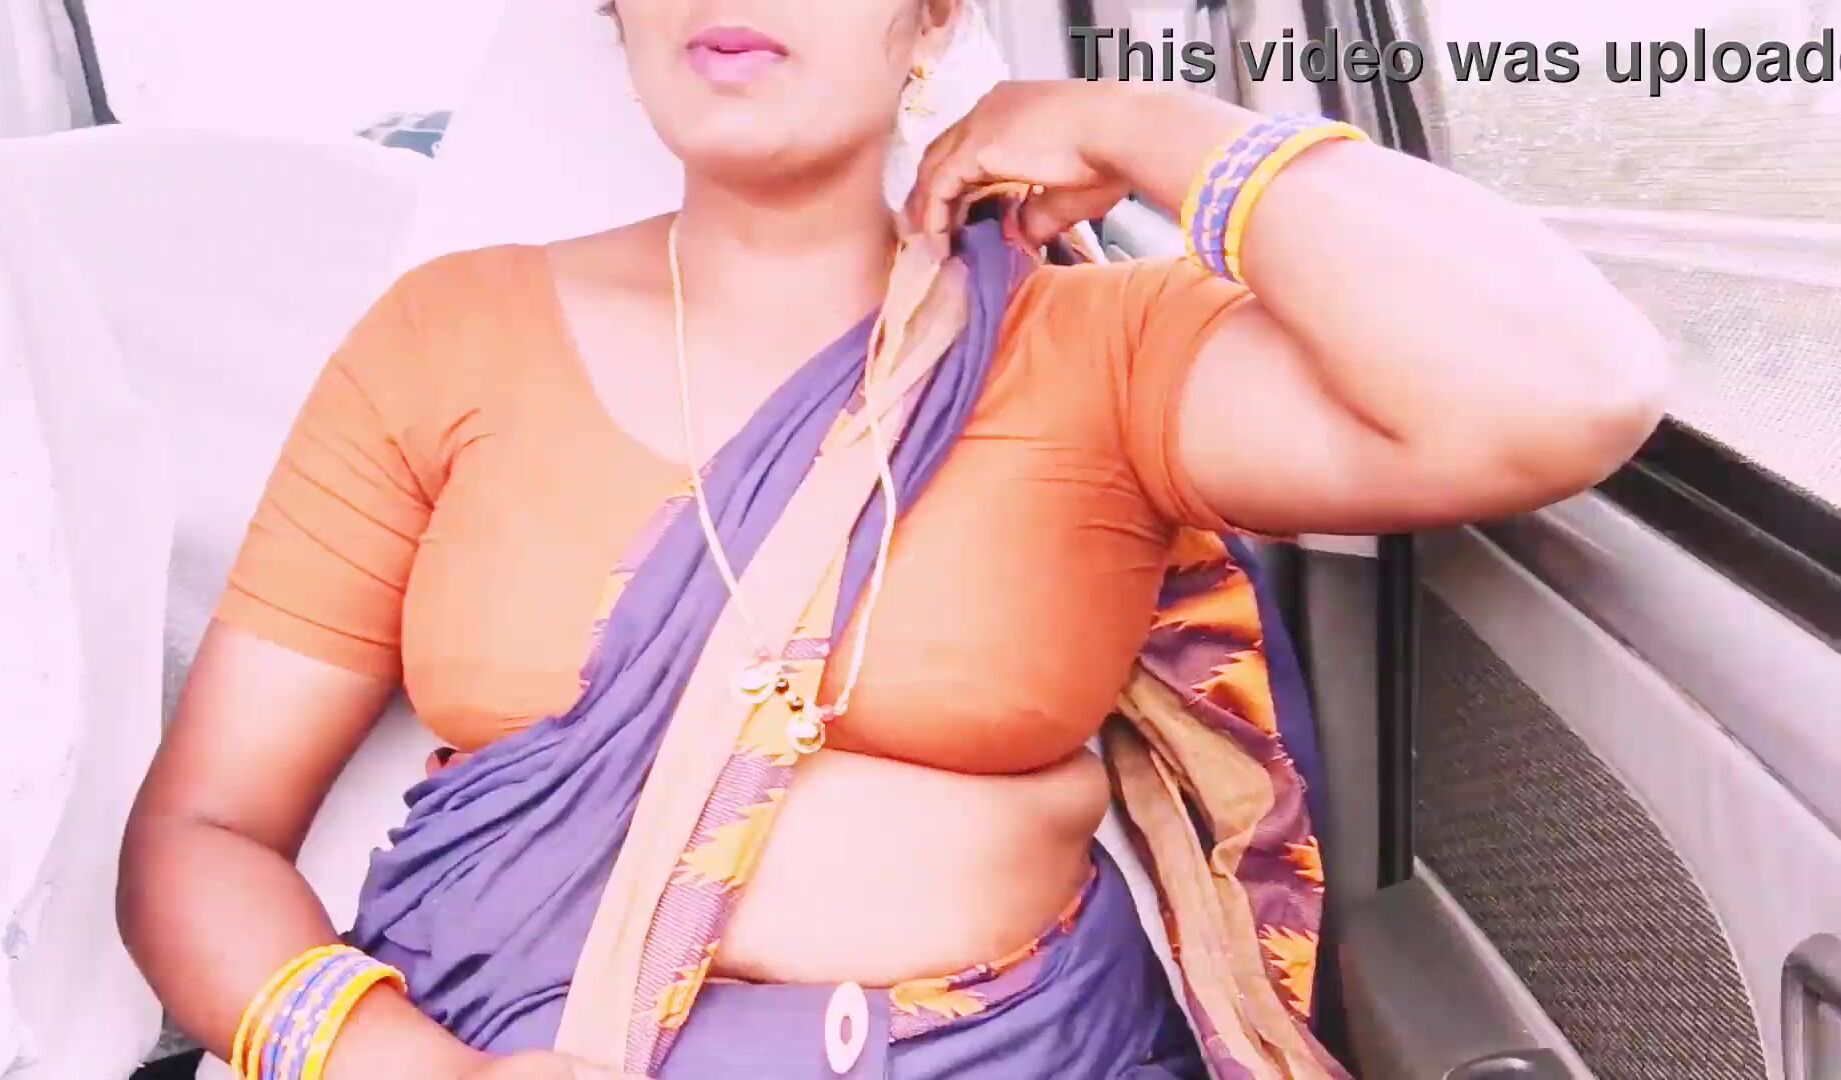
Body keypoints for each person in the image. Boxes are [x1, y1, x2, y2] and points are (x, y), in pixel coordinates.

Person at [117, 1, 1670, 1078]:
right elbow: (202, 837)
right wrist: (410, 1073)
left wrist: (1130, 122)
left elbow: (1559, 392)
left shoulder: (1093, 347)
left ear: (932, 19)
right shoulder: (444, 337)